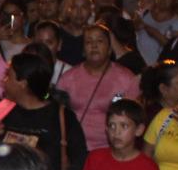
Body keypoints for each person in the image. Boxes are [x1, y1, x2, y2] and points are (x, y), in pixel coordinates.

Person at [59, 24, 142, 154]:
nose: (94, 45)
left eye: (99, 41)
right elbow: (58, 114)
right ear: (83, 50)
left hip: (110, 150)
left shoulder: (126, 78)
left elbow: (135, 119)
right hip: (75, 149)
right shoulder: (68, 77)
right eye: (88, 42)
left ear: (110, 49)